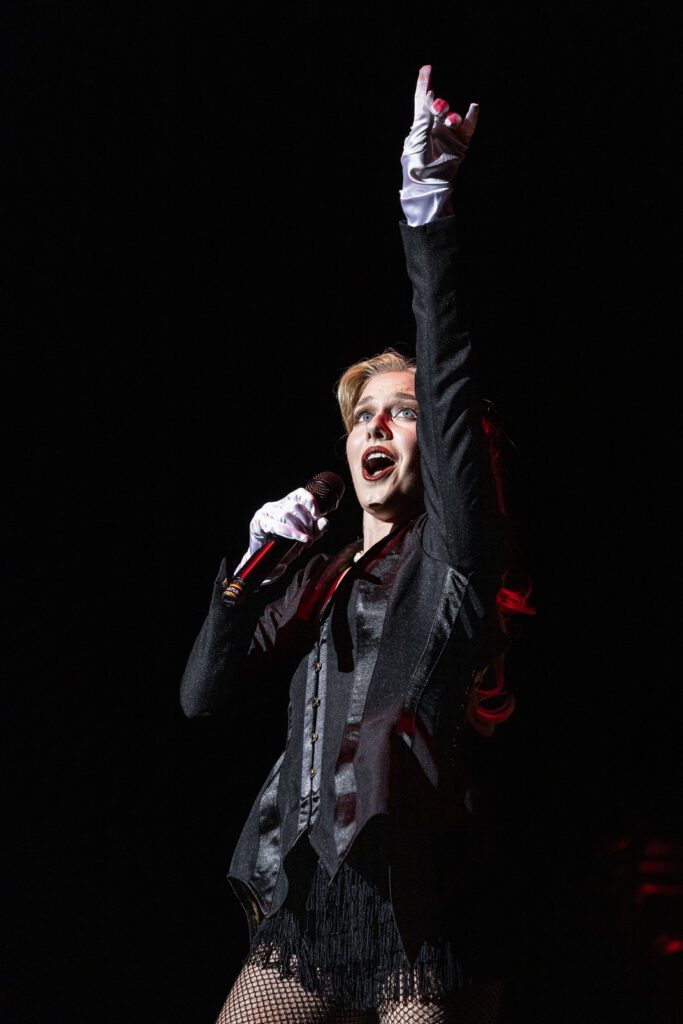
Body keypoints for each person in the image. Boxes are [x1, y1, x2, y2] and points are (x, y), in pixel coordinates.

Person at [181, 65, 526, 1024]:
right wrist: (243, 578)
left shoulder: (456, 550)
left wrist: (427, 212)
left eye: (400, 414)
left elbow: (449, 374)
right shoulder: (320, 575)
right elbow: (200, 698)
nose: (376, 426)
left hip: (426, 900)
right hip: (310, 897)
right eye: (362, 413)